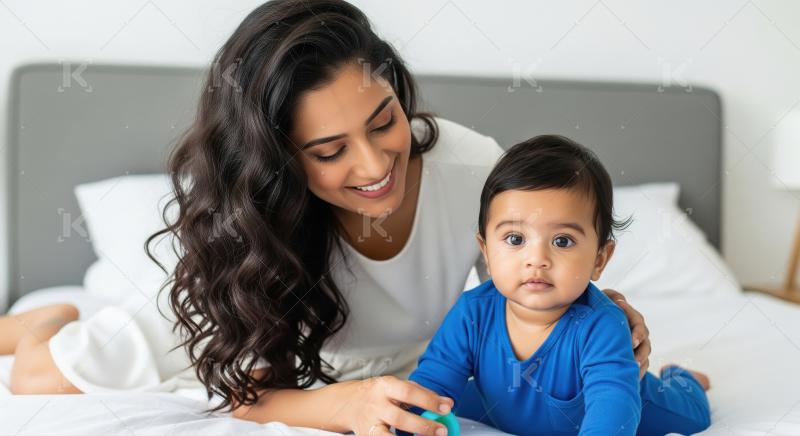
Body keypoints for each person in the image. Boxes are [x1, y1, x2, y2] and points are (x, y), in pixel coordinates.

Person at [0, 2, 653, 435]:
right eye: (329, 150)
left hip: (399, 354)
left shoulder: (472, 167)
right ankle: (43, 321)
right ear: (277, 158)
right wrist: (336, 404)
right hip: (225, 326)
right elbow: (245, 390)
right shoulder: (249, 222)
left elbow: (526, 283)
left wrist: (607, 321)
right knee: (40, 378)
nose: (375, 166)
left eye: (384, 122)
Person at [405, 135, 712, 435]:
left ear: (599, 259)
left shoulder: (600, 326)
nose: (537, 258)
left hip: (636, 406)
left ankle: (684, 378)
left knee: (691, 415)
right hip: (500, 406)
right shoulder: (471, 313)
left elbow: (613, 410)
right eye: (515, 239)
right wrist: (411, 423)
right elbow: (431, 386)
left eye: (562, 241)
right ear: (485, 251)